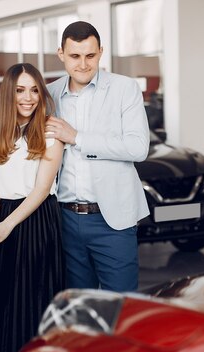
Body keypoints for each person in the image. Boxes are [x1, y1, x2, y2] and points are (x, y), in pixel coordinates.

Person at [0, 63, 65, 352]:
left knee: (35, 306)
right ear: (9, 93)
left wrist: (6, 225)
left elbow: (41, 190)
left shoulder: (49, 131)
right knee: (10, 305)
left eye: (34, 90)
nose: (28, 97)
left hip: (37, 220)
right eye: (20, 90)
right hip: (3, 218)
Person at [45, 21, 150, 292]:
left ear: (101, 52)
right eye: (75, 56)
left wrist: (77, 137)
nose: (83, 64)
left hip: (112, 220)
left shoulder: (125, 89)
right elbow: (35, 153)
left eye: (90, 55)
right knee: (78, 309)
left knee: (121, 306)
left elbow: (138, 147)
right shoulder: (49, 94)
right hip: (64, 219)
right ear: (61, 54)